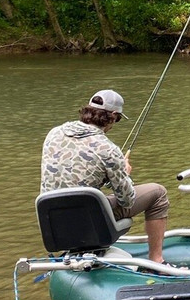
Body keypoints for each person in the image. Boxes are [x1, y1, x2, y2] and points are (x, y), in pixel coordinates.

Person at [41, 89, 170, 263]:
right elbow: (127, 200)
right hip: (88, 222)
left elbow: (76, 174)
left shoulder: (53, 134)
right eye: (117, 119)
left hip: (54, 222)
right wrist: (124, 173)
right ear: (113, 116)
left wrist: (110, 175)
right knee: (158, 193)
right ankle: (157, 259)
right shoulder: (108, 150)